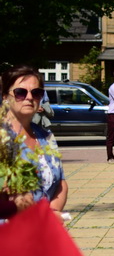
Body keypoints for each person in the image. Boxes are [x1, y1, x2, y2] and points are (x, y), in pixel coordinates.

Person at [2, 66, 67, 218]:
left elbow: (61, 182)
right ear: (5, 97)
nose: (29, 97)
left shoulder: (45, 136)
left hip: (42, 227)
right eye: (20, 92)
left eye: (36, 93)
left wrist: (53, 212)